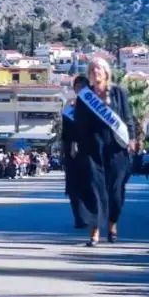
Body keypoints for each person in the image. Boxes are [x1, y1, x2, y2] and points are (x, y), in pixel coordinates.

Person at [74, 58, 135, 247]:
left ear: (106, 72)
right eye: (91, 69)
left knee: (116, 191)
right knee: (93, 189)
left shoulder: (119, 93)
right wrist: (77, 144)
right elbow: (79, 123)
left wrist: (132, 139)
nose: (95, 71)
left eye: (98, 68)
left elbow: (128, 118)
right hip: (93, 147)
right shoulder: (85, 96)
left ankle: (112, 223)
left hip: (117, 147)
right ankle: (94, 232)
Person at [61, 75, 89, 228]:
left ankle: (89, 215)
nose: (81, 89)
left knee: (88, 184)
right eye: (78, 87)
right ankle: (79, 218)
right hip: (72, 151)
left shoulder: (95, 106)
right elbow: (66, 132)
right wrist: (70, 145)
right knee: (73, 186)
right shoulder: (70, 107)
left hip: (89, 150)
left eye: (83, 87)